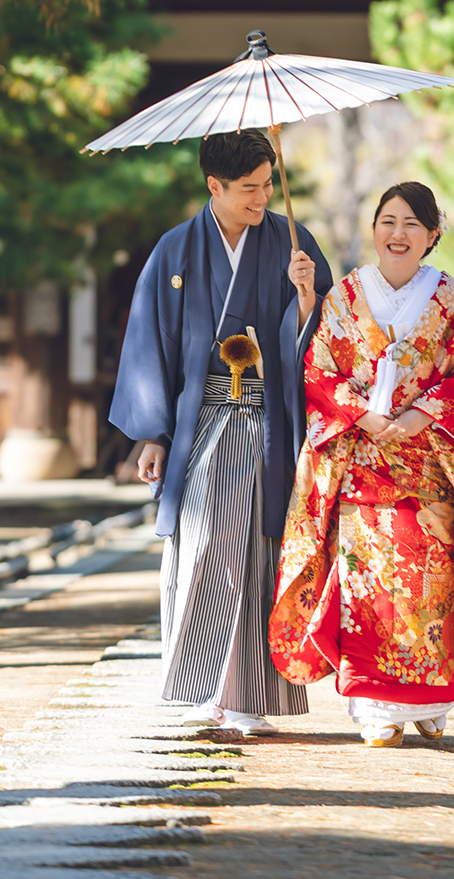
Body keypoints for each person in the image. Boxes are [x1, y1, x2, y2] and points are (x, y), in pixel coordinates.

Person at [109, 127, 332, 736]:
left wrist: (309, 299)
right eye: (249, 189)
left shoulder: (293, 243)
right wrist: (152, 434)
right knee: (205, 544)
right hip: (201, 423)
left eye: (267, 186)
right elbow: (150, 342)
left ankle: (253, 697)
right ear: (216, 185)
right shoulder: (175, 251)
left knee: (261, 552)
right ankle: (207, 688)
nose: (263, 200)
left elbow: (329, 340)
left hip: (269, 421)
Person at [268, 181, 454, 747]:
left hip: (427, 468)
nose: (398, 234)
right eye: (388, 221)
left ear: (433, 235)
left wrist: (420, 417)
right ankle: (373, 706)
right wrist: (365, 417)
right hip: (364, 465)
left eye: (412, 224)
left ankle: (431, 699)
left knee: (428, 586)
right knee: (367, 588)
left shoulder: (451, 299)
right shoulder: (343, 296)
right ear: (374, 230)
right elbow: (319, 369)